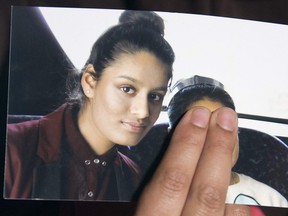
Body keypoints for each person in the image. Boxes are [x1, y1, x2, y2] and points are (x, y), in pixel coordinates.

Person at [4, 10, 175, 201]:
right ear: (90, 82)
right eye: (127, 89)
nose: (143, 111)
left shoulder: (132, 178)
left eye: (155, 96)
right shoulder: (12, 150)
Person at [166, 75, 288, 207]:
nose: (217, 141)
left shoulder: (271, 200)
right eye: (201, 128)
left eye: (225, 127)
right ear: (172, 137)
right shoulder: (161, 197)